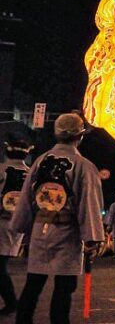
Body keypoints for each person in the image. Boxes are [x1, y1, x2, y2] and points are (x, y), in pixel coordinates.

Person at [10, 113, 105, 324]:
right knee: (64, 288)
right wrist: (92, 237)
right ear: (80, 137)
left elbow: (26, 197)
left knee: (33, 284)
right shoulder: (83, 165)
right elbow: (89, 203)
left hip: (39, 227)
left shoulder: (40, 161)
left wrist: (23, 229)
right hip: (67, 230)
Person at [0, 135, 33, 315]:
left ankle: (12, 302)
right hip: (18, 223)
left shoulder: (2, 169)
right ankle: (11, 302)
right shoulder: (31, 174)